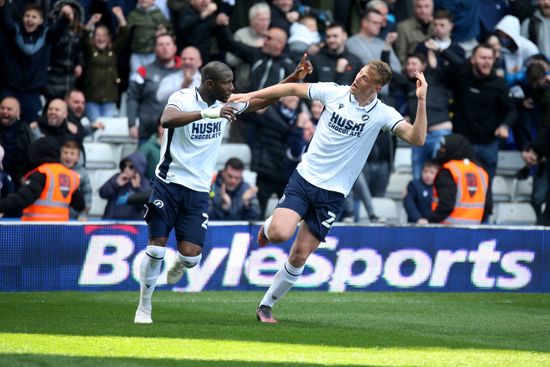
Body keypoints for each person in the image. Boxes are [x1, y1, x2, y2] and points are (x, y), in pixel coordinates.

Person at [228, 60, 428, 323]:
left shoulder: (383, 113)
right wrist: (244, 96)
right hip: (305, 179)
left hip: (333, 195)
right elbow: (287, 91)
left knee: (299, 256)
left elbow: (417, 138)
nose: (358, 78)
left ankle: (266, 306)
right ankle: (269, 226)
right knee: (278, 234)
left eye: (365, 77)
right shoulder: (333, 91)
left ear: (377, 86)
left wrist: (421, 101)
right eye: (360, 72)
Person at [133, 55, 313, 324]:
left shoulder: (227, 103)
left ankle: (182, 262)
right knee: (157, 248)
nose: (232, 88)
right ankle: (144, 307)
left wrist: (292, 80)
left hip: (198, 191)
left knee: (191, 258)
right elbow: (167, 120)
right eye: (227, 83)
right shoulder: (182, 98)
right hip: (168, 184)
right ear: (209, 83)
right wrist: (209, 112)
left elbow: (261, 101)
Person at [0, 136, 84, 220]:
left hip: (36, 229)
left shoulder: (42, 174)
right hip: (60, 230)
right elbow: (80, 205)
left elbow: (22, 199)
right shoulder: (70, 176)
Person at [428, 134, 491, 224]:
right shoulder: (482, 172)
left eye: (443, 147)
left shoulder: (448, 171)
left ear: (452, 147)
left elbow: (446, 205)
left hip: (447, 231)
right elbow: (488, 206)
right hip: (474, 230)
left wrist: (430, 221)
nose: (440, 150)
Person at [99, 152, 150, 220]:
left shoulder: (145, 183)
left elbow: (147, 207)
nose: (126, 169)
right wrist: (116, 185)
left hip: (133, 226)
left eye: (131, 167)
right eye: (124, 166)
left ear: (139, 167)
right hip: (112, 222)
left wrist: (137, 188)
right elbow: (102, 193)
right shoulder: (117, 177)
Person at [60, 140, 91, 220]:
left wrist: (83, 214)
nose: (68, 156)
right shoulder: (55, 171)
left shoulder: (83, 173)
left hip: (76, 217)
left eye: (72, 153)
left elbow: (87, 193)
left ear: (77, 158)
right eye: (66, 153)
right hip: (58, 216)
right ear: (61, 155)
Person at [403, 159, 438, 223]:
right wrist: (417, 218)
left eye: (432, 172)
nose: (428, 175)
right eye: (425, 171)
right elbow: (409, 202)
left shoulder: (440, 188)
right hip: (415, 225)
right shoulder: (414, 185)